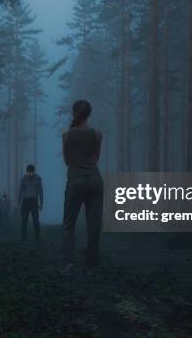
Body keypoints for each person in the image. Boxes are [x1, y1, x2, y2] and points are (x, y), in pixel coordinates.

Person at [62, 100, 103, 269]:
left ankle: (70, 261)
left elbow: (66, 161)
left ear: (74, 113)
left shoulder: (67, 135)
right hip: (94, 180)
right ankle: (91, 261)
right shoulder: (97, 134)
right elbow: (95, 159)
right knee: (94, 224)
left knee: (69, 224)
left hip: (75, 181)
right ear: (89, 114)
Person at [18, 164, 44, 242]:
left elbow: (41, 191)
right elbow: (20, 191)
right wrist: (18, 202)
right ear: (27, 172)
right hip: (25, 201)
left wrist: (41, 202)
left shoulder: (38, 179)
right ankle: (23, 237)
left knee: (35, 220)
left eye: (31, 172)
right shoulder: (23, 179)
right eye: (28, 172)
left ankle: (37, 237)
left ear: (34, 171)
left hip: (34, 201)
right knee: (24, 220)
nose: (30, 174)